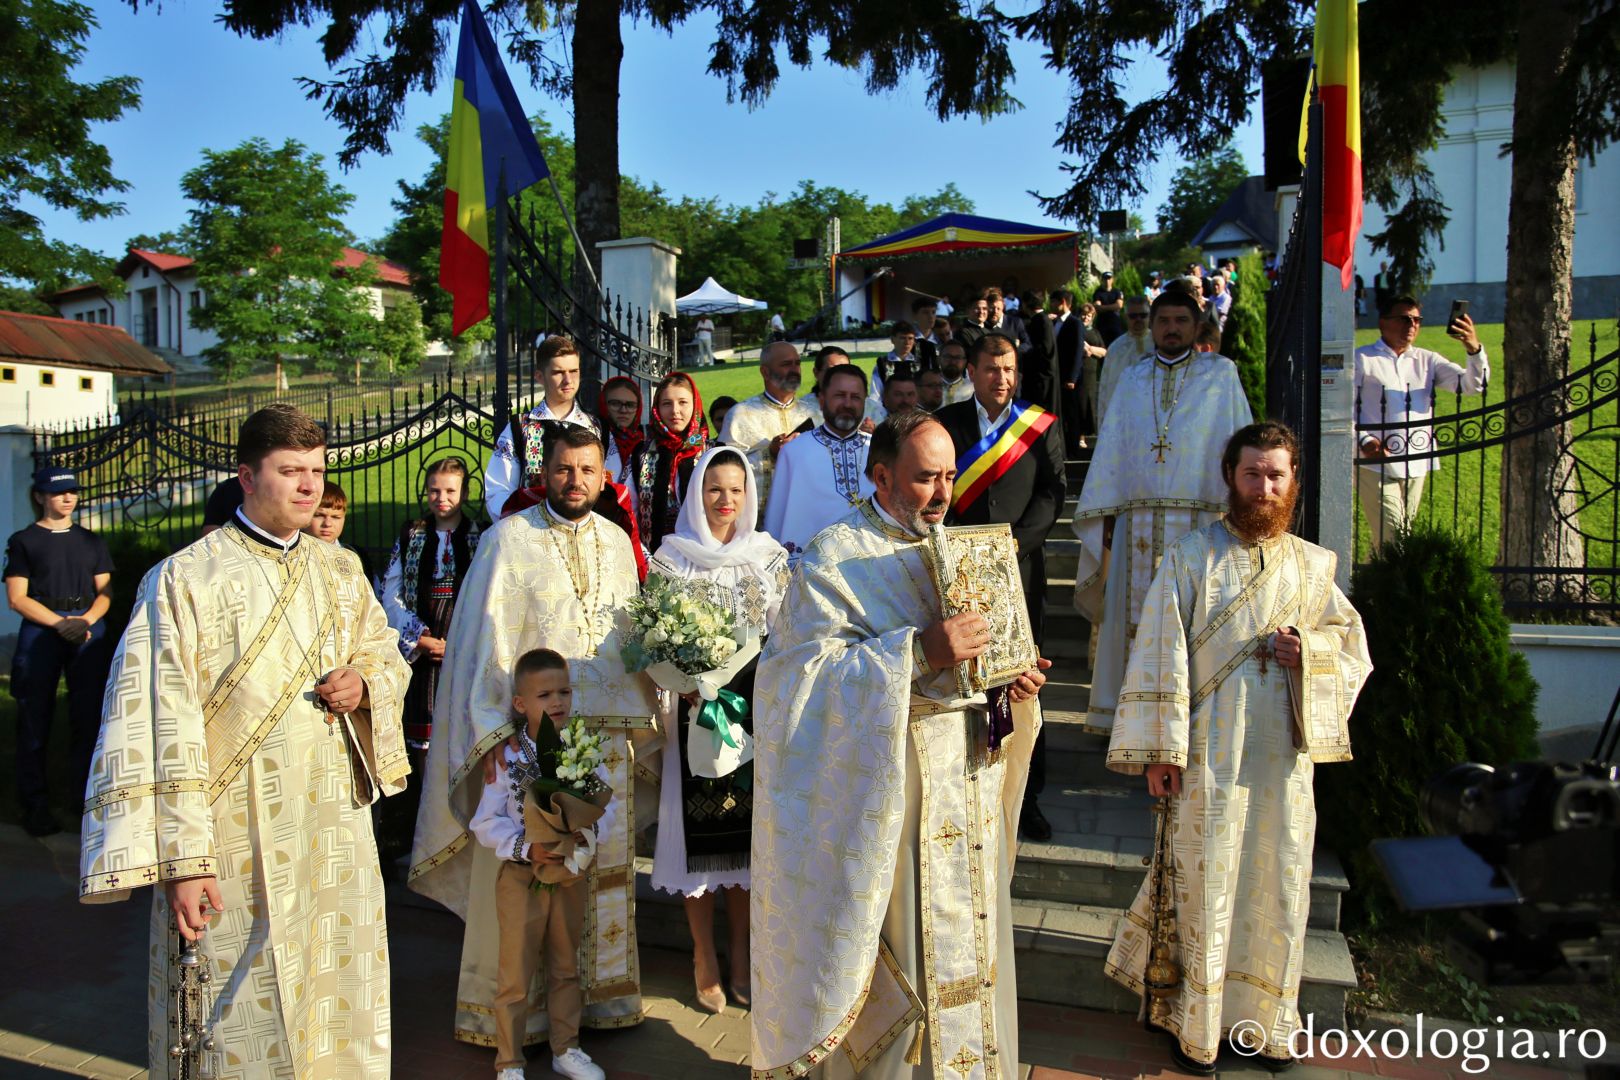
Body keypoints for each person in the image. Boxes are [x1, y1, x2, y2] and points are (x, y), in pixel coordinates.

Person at [80, 404, 411, 1076]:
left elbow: (385, 654)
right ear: (246, 476)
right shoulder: (183, 579)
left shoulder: (342, 569)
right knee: (231, 1009)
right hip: (230, 836)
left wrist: (365, 683)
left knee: (333, 987)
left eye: (317, 470)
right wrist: (183, 859)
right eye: (291, 470)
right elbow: (154, 725)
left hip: (329, 830)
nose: (310, 486)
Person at [751, 409, 1048, 1079]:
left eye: (947, 477)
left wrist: (1012, 689)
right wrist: (915, 654)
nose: (942, 495)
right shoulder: (836, 555)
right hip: (889, 800)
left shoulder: (968, 550)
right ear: (881, 476)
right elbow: (792, 687)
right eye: (923, 479)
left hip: (965, 787)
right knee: (900, 947)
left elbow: (985, 675)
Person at [1103, 422, 1372, 1073]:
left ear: (1294, 483)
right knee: (1205, 885)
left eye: (1276, 475)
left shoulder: (1314, 567)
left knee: (1276, 888)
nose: (1263, 487)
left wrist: (1311, 653)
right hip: (1208, 763)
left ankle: (1265, 1026)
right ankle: (1193, 1021)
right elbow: (1160, 657)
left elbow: (1353, 649)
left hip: (1281, 766)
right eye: (1252, 473)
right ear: (1231, 477)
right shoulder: (1189, 558)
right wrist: (1161, 754)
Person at [412, 425, 656, 1043]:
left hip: (607, 739)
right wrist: (494, 734)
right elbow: (481, 647)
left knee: (600, 872)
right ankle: (528, 1019)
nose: (576, 481)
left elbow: (630, 639)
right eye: (564, 469)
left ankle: (600, 1003)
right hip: (533, 743)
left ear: (606, 477)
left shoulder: (616, 540)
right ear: (542, 472)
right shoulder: (506, 542)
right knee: (535, 877)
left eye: (588, 470)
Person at [1072, 289, 1252, 735]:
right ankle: (1128, 722)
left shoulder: (1220, 375)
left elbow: (1238, 443)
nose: (1172, 328)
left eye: (1181, 321)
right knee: (1135, 625)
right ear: (1152, 326)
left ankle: (1194, 723)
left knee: (1196, 624)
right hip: (1137, 526)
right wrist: (1107, 517)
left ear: (1196, 327)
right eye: (1164, 320)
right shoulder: (1132, 379)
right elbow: (1114, 449)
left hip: (1203, 524)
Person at [649, 447, 789, 1014]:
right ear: (695, 495)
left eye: (735, 490)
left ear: (750, 495)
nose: (725, 501)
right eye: (714, 490)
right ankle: (703, 954)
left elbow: (791, 633)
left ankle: (743, 949)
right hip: (695, 715)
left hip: (756, 713)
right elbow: (652, 635)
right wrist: (678, 679)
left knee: (747, 845)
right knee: (699, 845)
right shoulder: (671, 558)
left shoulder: (770, 556)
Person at [935, 332, 1066, 840]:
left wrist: (1012, 545)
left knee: (1022, 677)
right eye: (992, 369)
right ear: (972, 371)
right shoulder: (947, 424)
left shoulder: (1039, 427)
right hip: (958, 572)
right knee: (965, 675)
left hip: (1020, 571)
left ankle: (1026, 795)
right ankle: (967, 786)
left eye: (1010, 369)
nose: (1002, 378)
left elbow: (1052, 494)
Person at [473, 648, 610, 1080]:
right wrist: (524, 847)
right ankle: (509, 1060)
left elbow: (601, 804)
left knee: (566, 965)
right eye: (545, 694)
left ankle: (565, 1048)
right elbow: (484, 822)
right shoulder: (507, 758)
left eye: (564, 691)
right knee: (515, 971)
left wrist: (581, 838)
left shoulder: (582, 748)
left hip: (568, 874)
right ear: (520, 704)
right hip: (520, 877)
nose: (557, 702)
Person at [376, 457, 482, 867]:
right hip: (422, 651)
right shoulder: (412, 534)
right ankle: (424, 821)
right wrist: (417, 636)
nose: (442, 498)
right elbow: (393, 591)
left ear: (464, 494)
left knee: (460, 731)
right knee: (421, 735)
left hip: (463, 645)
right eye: (435, 490)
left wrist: (456, 642)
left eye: (451, 491)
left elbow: (484, 591)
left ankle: (460, 822)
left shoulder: (478, 536)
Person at [5, 467, 114, 837]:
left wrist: (83, 621)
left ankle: (84, 800)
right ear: (40, 497)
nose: (68, 498)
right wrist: (59, 623)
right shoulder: (24, 541)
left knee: (89, 717)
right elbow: (17, 598)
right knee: (35, 717)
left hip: (86, 629)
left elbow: (106, 592)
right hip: (41, 629)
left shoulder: (90, 541)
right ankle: (35, 805)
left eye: (72, 492)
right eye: (59, 493)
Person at [1353, 296, 1488, 553]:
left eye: (1416, 320)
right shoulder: (1363, 358)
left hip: (1416, 460)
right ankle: (1381, 591)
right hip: (1374, 462)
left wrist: (1473, 349)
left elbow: (1472, 386)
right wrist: (1365, 441)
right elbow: (1343, 408)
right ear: (1383, 323)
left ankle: (1366, 589)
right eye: (1404, 319)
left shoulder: (1428, 360)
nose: (1411, 325)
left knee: (1393, 538)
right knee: (1394, 536)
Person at [763, 364, 876, 561]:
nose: (848, 404)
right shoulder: (794, 451)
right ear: (822, 400)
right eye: (840, 395)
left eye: (855, 397)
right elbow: (777, 518)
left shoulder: (878, 450)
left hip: (873, 561)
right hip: (811, 566)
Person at [486, 335, 600, 519]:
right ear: (540, 376)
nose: (568, 380)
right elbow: (498, 490)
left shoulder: (595, 428)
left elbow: (608, 489)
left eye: (574, 371)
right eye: (558, 372)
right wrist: (517, 529)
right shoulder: (520, 428)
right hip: (531, 535)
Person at [717, 340, 818, 517]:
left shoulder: (814, 413)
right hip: (760, 523)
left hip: (809, 514)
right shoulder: (740, 415)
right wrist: (770, 453)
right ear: (765, 372)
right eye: (786, 364)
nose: (794, 369)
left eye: (797, 363)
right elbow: (724, 471)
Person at [1096, 295, 1154, 428]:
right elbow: (1105, 389)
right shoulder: (1116, 349)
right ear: (1126, 317)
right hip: (1123, 419)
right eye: (1133, 316)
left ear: (1150, 316)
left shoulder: (1160, 344)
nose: (1138, 319)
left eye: (1143, 315)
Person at [303, 479, 374, 581]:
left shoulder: (357, 556)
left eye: (336, 517)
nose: (327, 523)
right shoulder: (291, 556)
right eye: (319, 515)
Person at [599, 376, 647, 516]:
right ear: (604, 404)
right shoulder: (595, 437)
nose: (623, 410)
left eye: (630, 405)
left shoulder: (647, 442)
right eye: (615, 403)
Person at [868, 320, 925, 424]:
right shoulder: (882, 364)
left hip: (917, 417)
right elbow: (875, 396)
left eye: (910, 338)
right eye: (902, 338)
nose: (907, 342)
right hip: (889, 417)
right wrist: (884, 419)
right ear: (893, 339)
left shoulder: (921, 364)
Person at [1018, 290, 1063, 415]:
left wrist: (1023, 350)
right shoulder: (1041, 320)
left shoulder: (1041, 321)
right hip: (1041, 379)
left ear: (1025, 305)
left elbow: (1044, 351)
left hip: (1042, 381)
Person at [937, 338, 974, 408]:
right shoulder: (928, 387)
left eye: (958, 357)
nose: (953, 361)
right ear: (938, 359)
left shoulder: (972, 390)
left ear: (965, 362)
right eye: (948, 357)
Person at [1091, 270, 1126, 343]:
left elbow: (1119, 305)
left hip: (1115, 323)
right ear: (1102, 280)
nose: (1107, 280)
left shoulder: (1117, 292)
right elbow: (1097, 307)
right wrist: (1113, 307)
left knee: (1117, 344)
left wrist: (1104, 307)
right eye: (1105, 278)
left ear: (1112, 280)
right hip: (1102, 324)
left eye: (1109, 278)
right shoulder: (1098, 292)